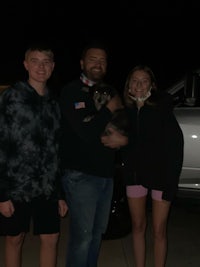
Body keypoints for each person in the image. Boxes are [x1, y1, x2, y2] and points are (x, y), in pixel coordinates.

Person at [59, 41, 128, 267]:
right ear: (82, 63)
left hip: (106, 175)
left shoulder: (111, 91)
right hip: (81, 176)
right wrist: (108, 110)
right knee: (82, 238)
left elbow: (122, 127)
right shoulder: (70, 91)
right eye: (92, 59)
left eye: (102, 60)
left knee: (97, 235)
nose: (98, 64)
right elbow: (86, 133)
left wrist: (123, 139)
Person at [0, 43, 68, 267]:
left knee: (51, 238)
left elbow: (57, 151)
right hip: (16, 186)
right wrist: (2, 194)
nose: (41, 66)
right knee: (14, 239)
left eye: (46, 62)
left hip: (47, 187)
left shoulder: (54, 103)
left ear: (53, 66)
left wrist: (60, 193)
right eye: (35, 61)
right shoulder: (11, 97)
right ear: (26, 64)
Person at [120, 65, 184, 267]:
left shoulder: (162, 108)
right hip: (136, 176)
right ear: (129, 85)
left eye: (144, 80)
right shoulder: (125, 112)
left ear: (152, 85)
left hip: (161, 178)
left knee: (159, 230)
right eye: (135, 80)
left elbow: (176, 148)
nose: (139, 85)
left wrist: (171, 184)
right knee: (138, 226)